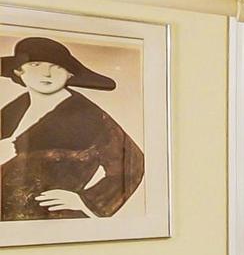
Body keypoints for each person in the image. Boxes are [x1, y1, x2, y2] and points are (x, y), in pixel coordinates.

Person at [0, 36, 145, 220]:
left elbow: (133, 164)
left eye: (57, 67)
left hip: (56, 220)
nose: (47, 74)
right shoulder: (11, 111)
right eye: (36, 65)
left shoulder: (89, 116)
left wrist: (86, 200)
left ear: (69, 74)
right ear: (19, 71)